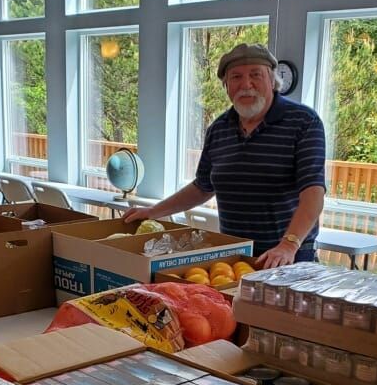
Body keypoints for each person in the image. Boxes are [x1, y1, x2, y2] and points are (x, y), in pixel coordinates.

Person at [123, 43, 325, 268]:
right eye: (236, 77)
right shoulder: (219, 129)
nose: (246, 85)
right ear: (226, 85)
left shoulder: (304, 122)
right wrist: (154, 211)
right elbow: (202, 187)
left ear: (272, 80)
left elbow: (313, 192)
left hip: (287, 256)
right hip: (235, 254)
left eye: (255, 75)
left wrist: (289, 244)